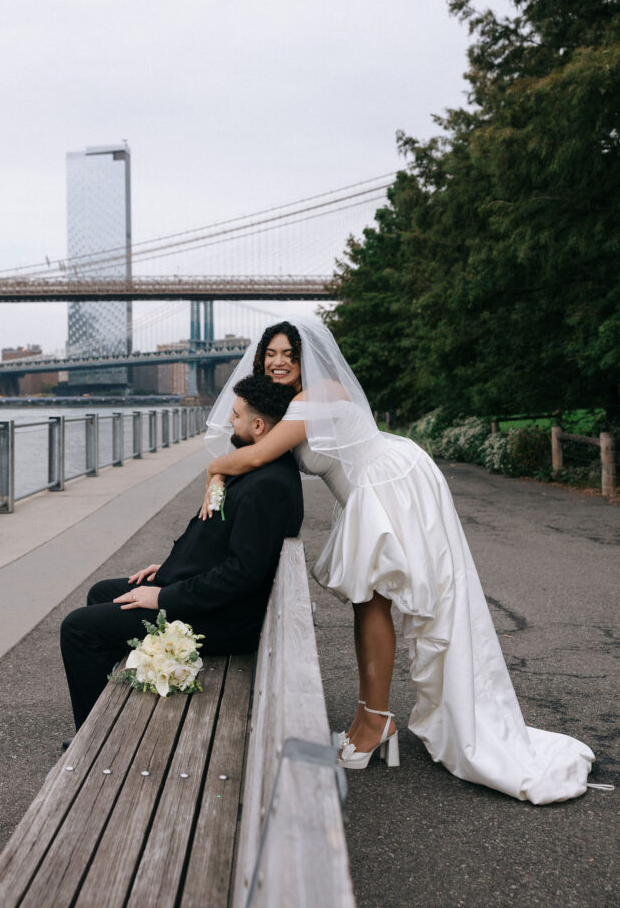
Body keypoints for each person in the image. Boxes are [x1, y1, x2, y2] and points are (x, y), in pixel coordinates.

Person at [202, 316, 595, 803]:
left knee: (377, 604)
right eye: (272, 354)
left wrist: (215, 471)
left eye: (290, 354)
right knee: (369, 604)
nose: (279, 362)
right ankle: (373, 721)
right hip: (375, 489)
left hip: (388, 485)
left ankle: (374, 725)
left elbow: (255, 456)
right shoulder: (291, 404)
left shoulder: (314, 396)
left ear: (307, 360)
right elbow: (256, 440)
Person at [60, 375, 303, 731]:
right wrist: (172, 568)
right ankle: (114, 709)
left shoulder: (267, 487)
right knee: (102, 592)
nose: (228, 422)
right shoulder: (258, 468)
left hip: (226, 620)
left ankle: (93, 735)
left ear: (259, 425)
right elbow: (227, 546)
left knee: (77, 629)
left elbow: (241, 574)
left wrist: (164, 596)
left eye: (235, 416)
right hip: (220, 602)